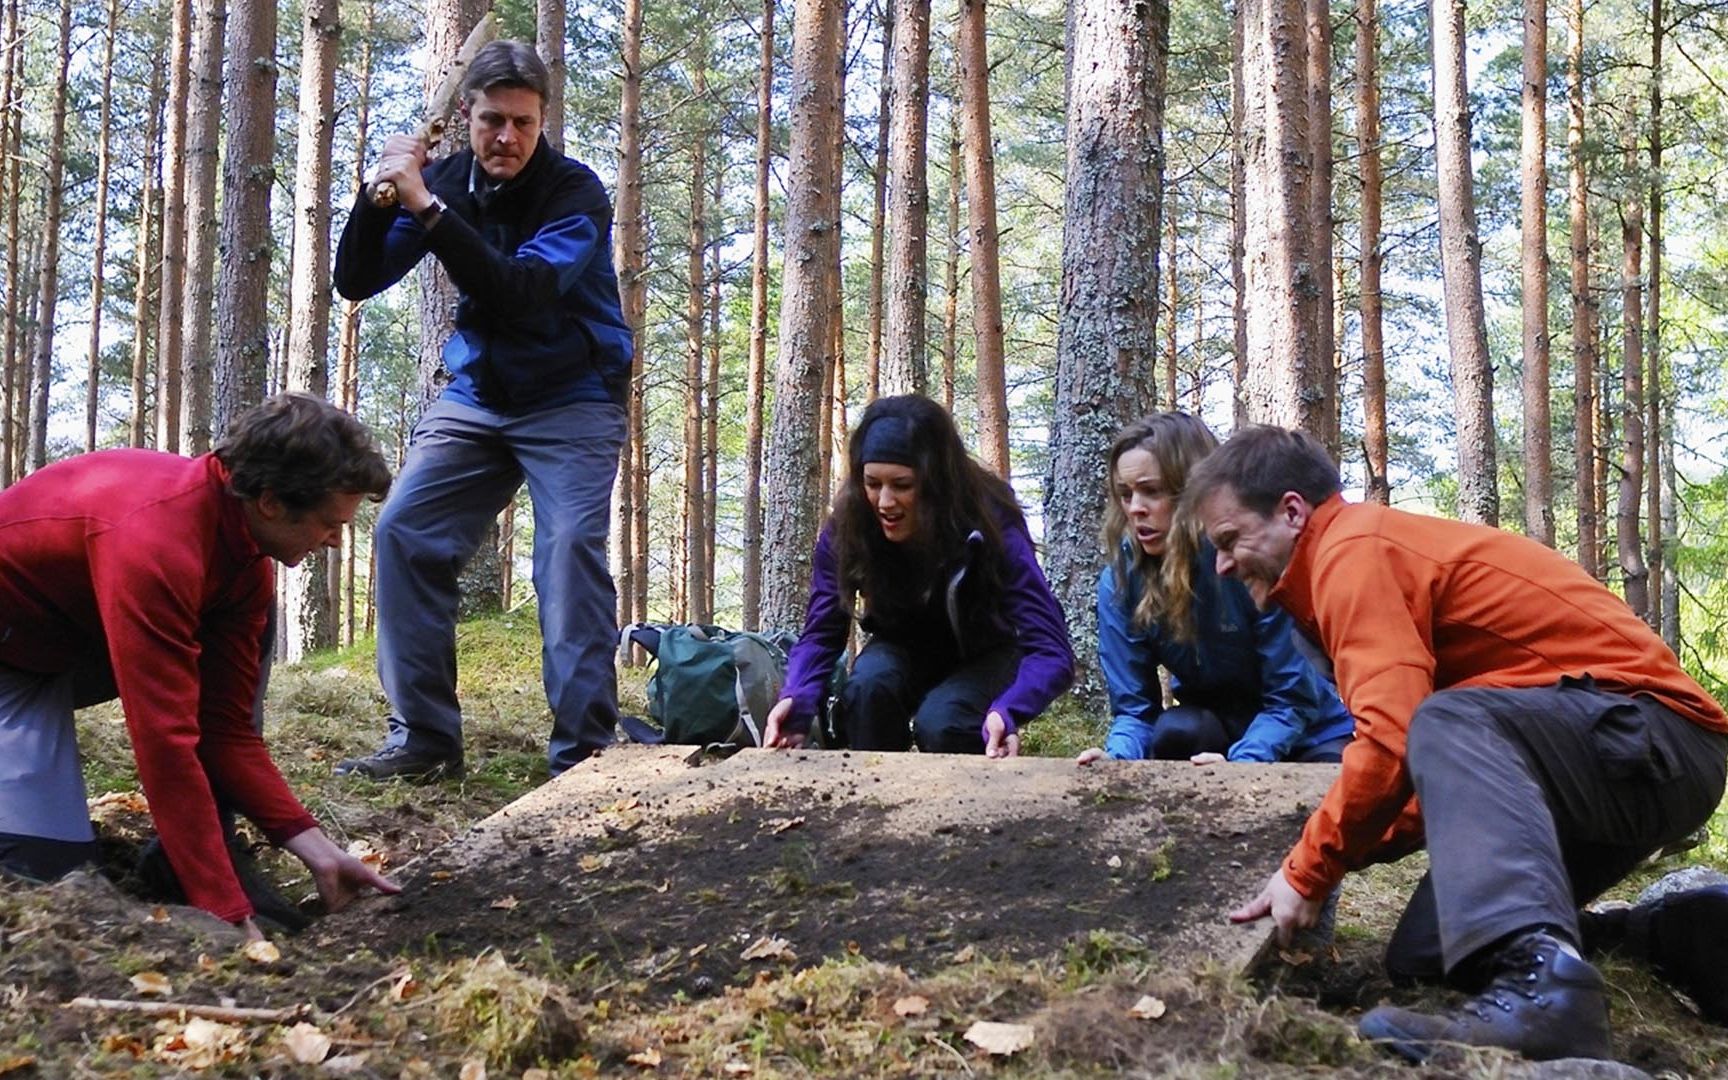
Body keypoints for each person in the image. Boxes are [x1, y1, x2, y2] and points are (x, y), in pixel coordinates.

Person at [1182, 424, 1728, 1064]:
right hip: (1601, 765)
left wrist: (1311, 867)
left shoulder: (1352, 551)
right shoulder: (1354, 557)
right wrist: (1337, 854)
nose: (1222, 564)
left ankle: (1549, 994)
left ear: (1292, 511)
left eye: (1228, 540)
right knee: (1430, 952)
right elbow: (1448, 781)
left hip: (1655, 737)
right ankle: (1661, 934)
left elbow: (1395, 739)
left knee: (1441, 718)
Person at [331, 40, 632, 781]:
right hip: (479, 398)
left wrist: (425, 203)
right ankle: (425, 739)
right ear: (465, 115)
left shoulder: (574, 193)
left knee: (565, 557)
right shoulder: (451, 182)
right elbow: (358, 279)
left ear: (542, 121)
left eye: (523, 124)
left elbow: (520, 291)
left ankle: (583, 753)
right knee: (403, 533)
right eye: (493, 120)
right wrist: (381, 194)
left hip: (574, 398)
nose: (507, 138)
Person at [0, 393, 400, 937]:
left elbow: (224, 731)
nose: (335, 541)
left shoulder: (243, 564)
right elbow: (165, 741)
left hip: (60, 645)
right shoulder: (156, 542)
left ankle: (189, 859)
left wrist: (316, 848)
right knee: (45, 879)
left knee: (254, 631)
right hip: (14, 657)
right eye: (330, 524)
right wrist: (224, 909)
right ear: (270, 501)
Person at [761, 395, 1075, 756]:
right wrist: (797, 701)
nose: (885, 502)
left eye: (902, 485)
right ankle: (871, 800)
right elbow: (822, 633)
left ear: (936, 482)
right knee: (867, 690)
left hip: (990, 651)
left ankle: (962, 808)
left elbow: (1051, 650)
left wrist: (1009, 709)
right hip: (901, 647)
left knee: (944, 722)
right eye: (873, 483)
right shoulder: (849, 526)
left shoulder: (990, 518)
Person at [1076, 413, 1353, 767]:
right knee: (1177, 730)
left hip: (1307, 732)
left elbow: (1291, 700)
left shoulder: (1248, 563)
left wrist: (1244, 765)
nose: (1136, 509)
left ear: (1193, 491)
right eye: (1125, 494)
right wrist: (1115, 758)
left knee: (1334, 780)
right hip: (1213, 731)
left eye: (1152, 491)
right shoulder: (1121, 581)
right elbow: (1134, 710)